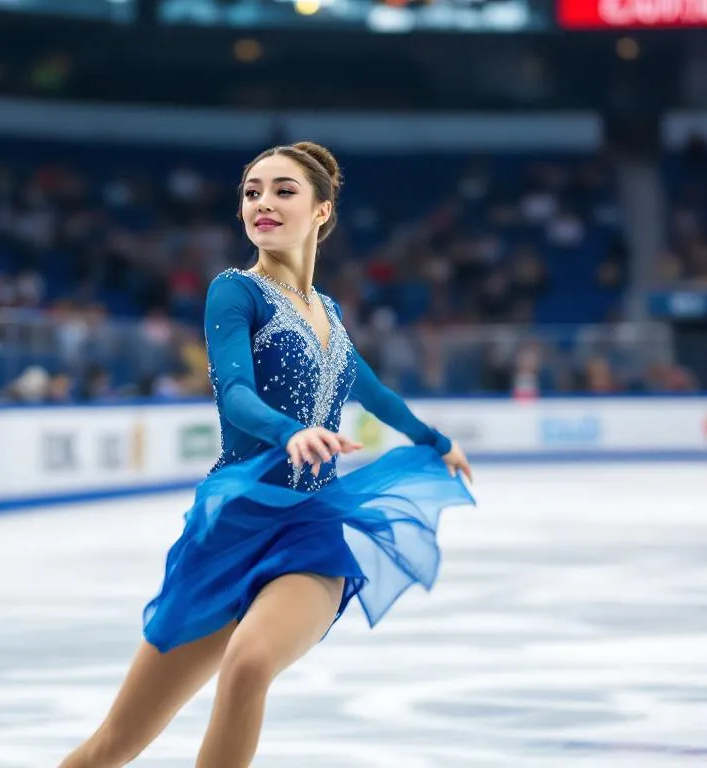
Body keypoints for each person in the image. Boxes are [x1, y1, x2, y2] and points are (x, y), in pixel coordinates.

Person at [59, 142, 476, 768]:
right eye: (252, 192)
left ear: (321, 210)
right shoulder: (236, 292)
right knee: (115, 742)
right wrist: (289, 433)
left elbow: (373, 392)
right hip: (232, 527)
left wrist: (437, 442)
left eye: (283, 190)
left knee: (249, 663)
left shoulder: (328, 312)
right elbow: (234, 395)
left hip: (312, 524)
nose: (263, 203)